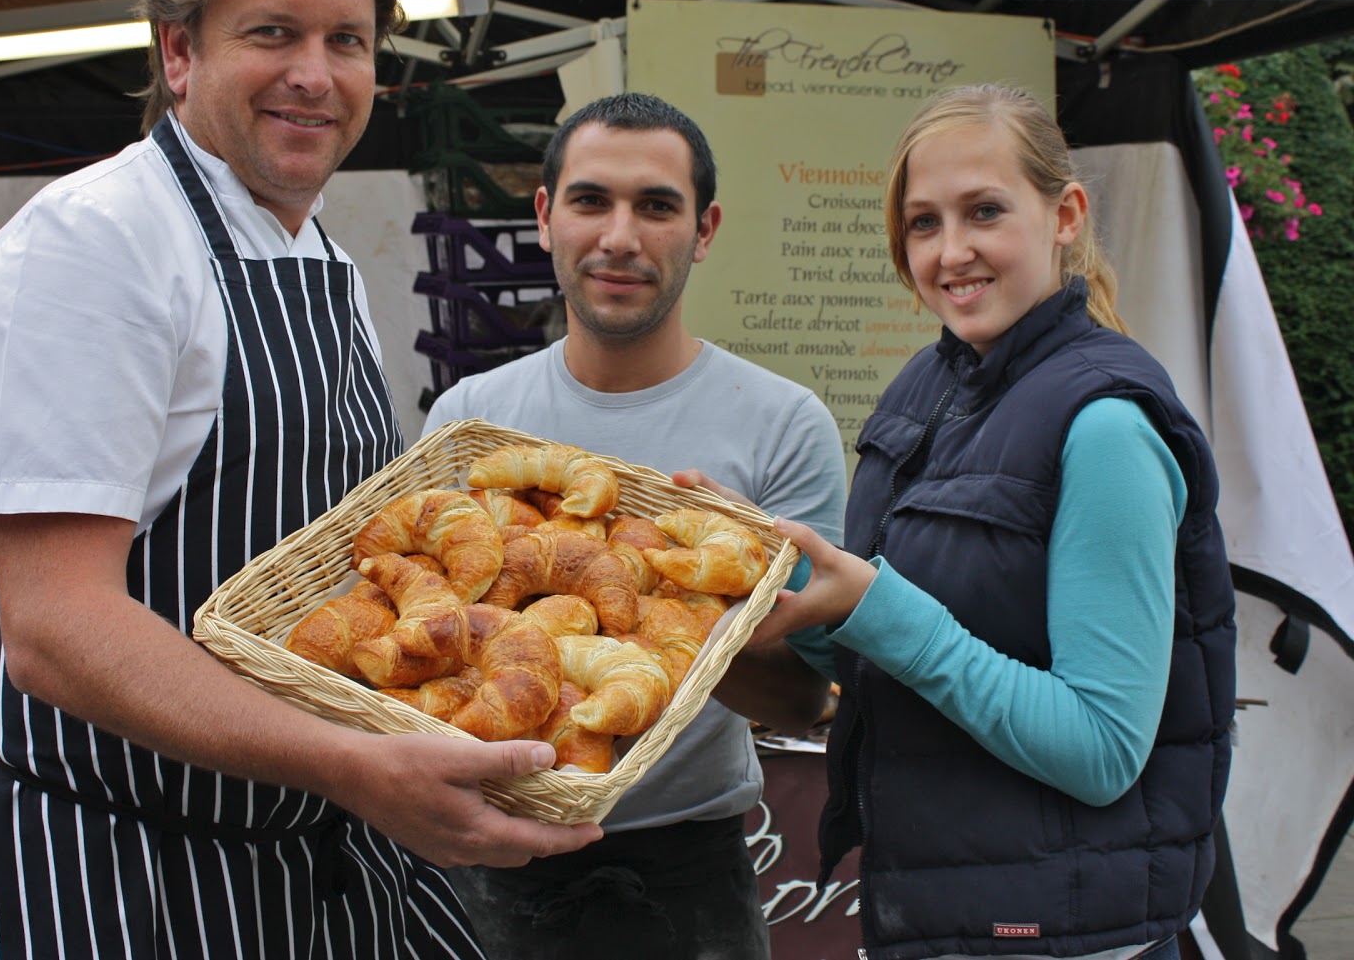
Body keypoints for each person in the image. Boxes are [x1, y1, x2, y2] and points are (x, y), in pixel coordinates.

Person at [0, 0, 598, 960]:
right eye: (272, 33)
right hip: (116, 861)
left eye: (347, 41)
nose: (315, 75)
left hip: (298, 844)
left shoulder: (317, 253)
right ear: (179, 52)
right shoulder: (91, 250)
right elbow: (53, 625)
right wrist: (350, 762)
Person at [750, 84, 1236, 960]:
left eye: (984, 211)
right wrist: (763, 579)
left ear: (1065, 214)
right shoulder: (925, 391)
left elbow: (1101, 747)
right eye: (923, 222)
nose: (951, 251)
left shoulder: (1109, 427)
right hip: (944, 920)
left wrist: (875, 607)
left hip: (1067, 936)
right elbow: (892, 661)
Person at [422, 92, 849, 959]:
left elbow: (808, 695)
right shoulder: (472, 418)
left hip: (691, 869)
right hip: (491, 854)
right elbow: (438, 643)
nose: (620, 236)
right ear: (545, 216)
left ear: (704, 228)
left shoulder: (782, 424)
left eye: (656, 206)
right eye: (591, 200)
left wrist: (686, 613)